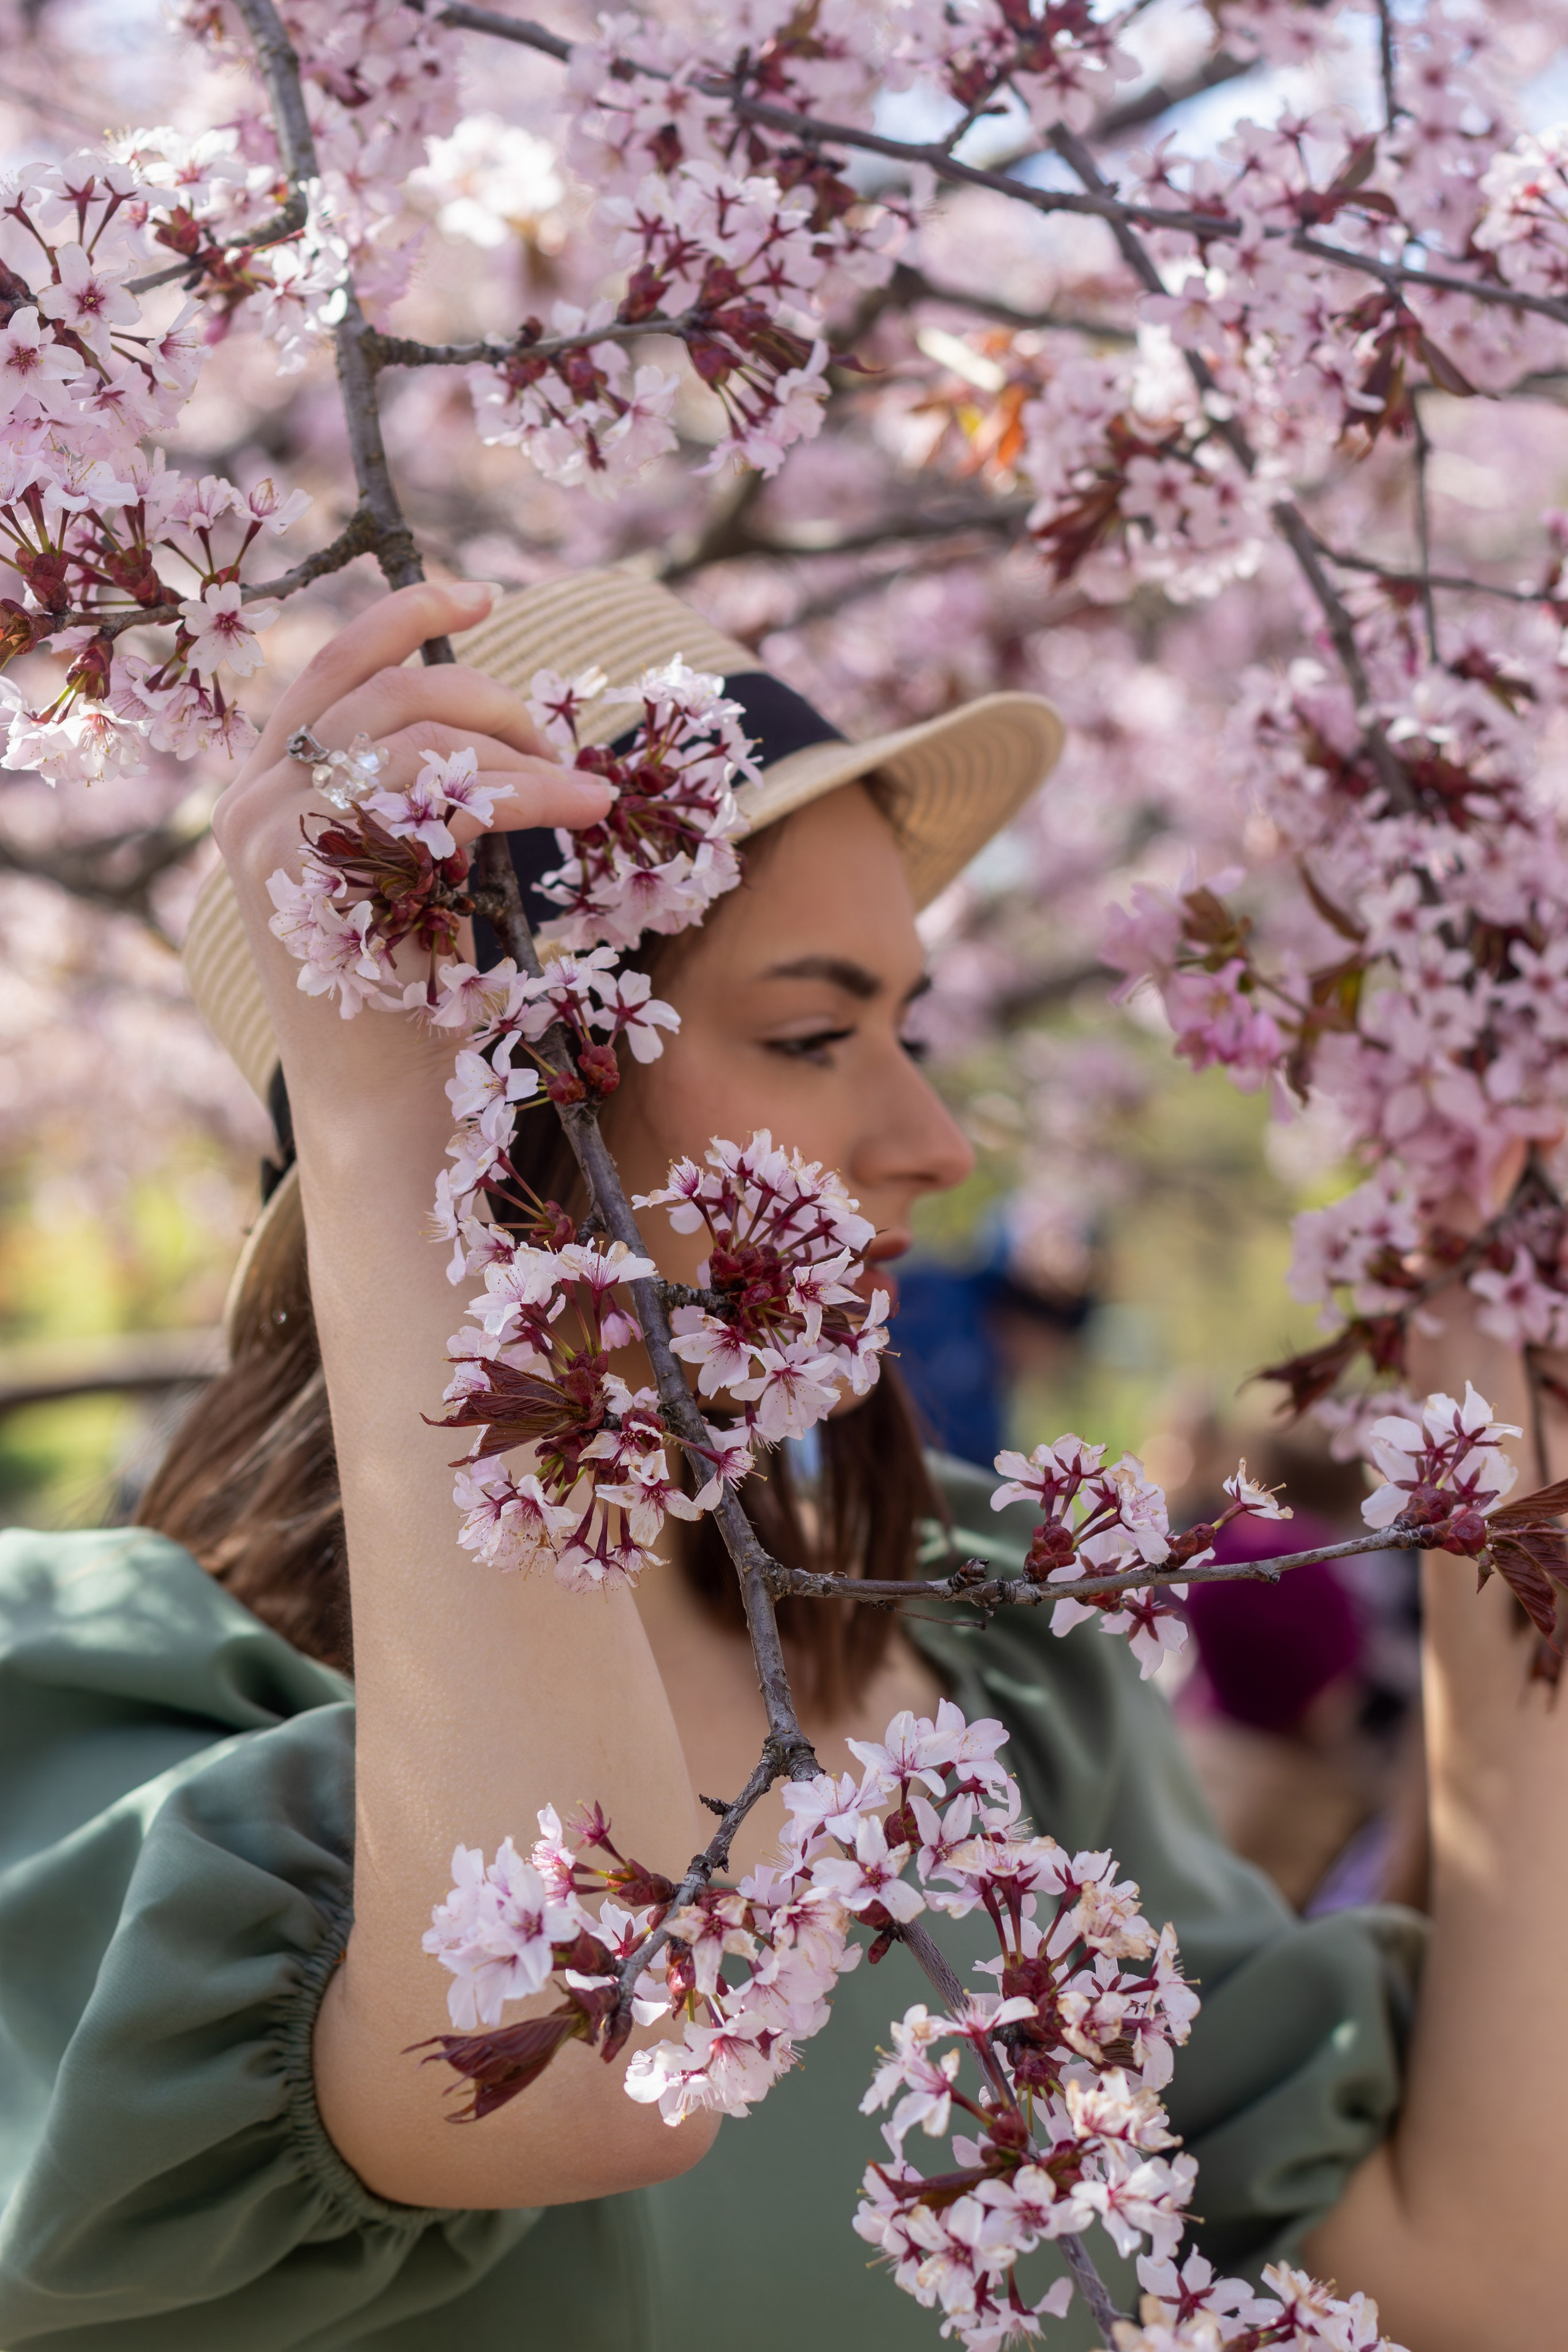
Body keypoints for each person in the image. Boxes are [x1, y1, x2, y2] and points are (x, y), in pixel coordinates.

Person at [0, 573, 1558, 2351]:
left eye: (914, 1029)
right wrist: (395, 1110)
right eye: (816, 1036)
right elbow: (584, 2066)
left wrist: (1501, 1438)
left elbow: (1484, 2277)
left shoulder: (985, 1648)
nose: (934, 1141)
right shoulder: (107, 1722)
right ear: (509, 1090)